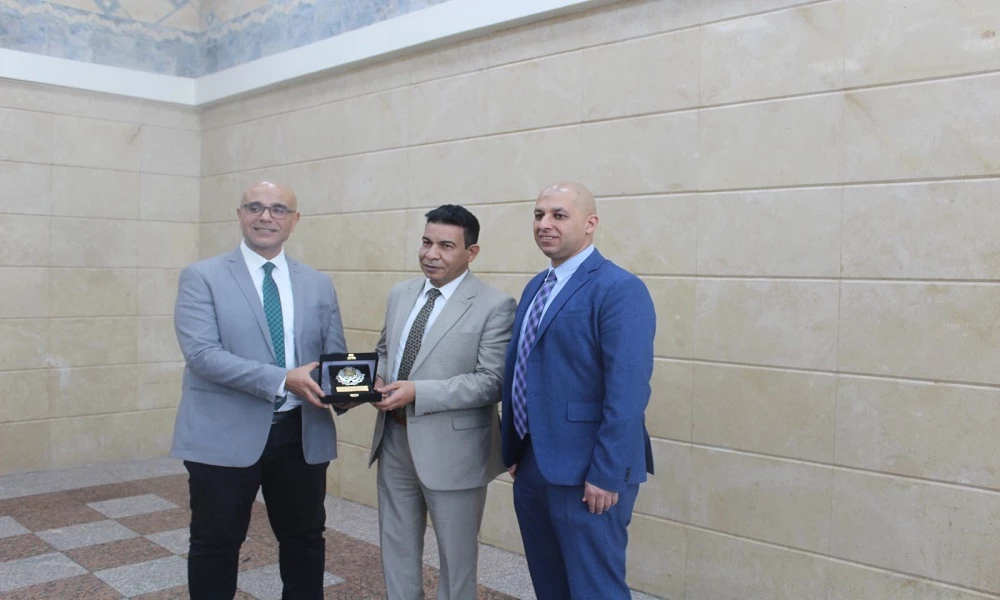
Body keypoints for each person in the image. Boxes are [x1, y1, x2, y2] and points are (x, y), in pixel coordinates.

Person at [171, 181, 347, 600]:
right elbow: (202, 355)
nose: (266, 217)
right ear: (240, 214)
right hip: (222, 435)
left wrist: (357, 387)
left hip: (300, 434)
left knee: (305, 539)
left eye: (278, 209)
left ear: (294, 220)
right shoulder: (202, 277)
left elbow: (333, 357)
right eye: (255, 207)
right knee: (215, 543)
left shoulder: (318, 283)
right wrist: (282, 379)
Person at [500, 182, 656, 599]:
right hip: (533, 462)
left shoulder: (619, 289)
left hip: (591, 473)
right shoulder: (537, 286)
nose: (544, 224)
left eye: (559, 215)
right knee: (550, 586)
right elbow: (524, 368)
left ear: (590, 224)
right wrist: (516, 446)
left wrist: (606, 474)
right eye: (539, 215)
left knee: (595, 589)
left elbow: (628, 393)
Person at [365, 204, 516, 599]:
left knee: (456, 559)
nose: (431, 254)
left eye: (446, 246)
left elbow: (492, 382)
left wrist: (418, 392)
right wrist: (376, 377)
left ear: (472, 252)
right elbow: (385, 351)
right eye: (426, 242)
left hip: (456, 451)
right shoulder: (400, 294)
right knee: (396, 548)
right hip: (394, 441)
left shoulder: (495, 305)